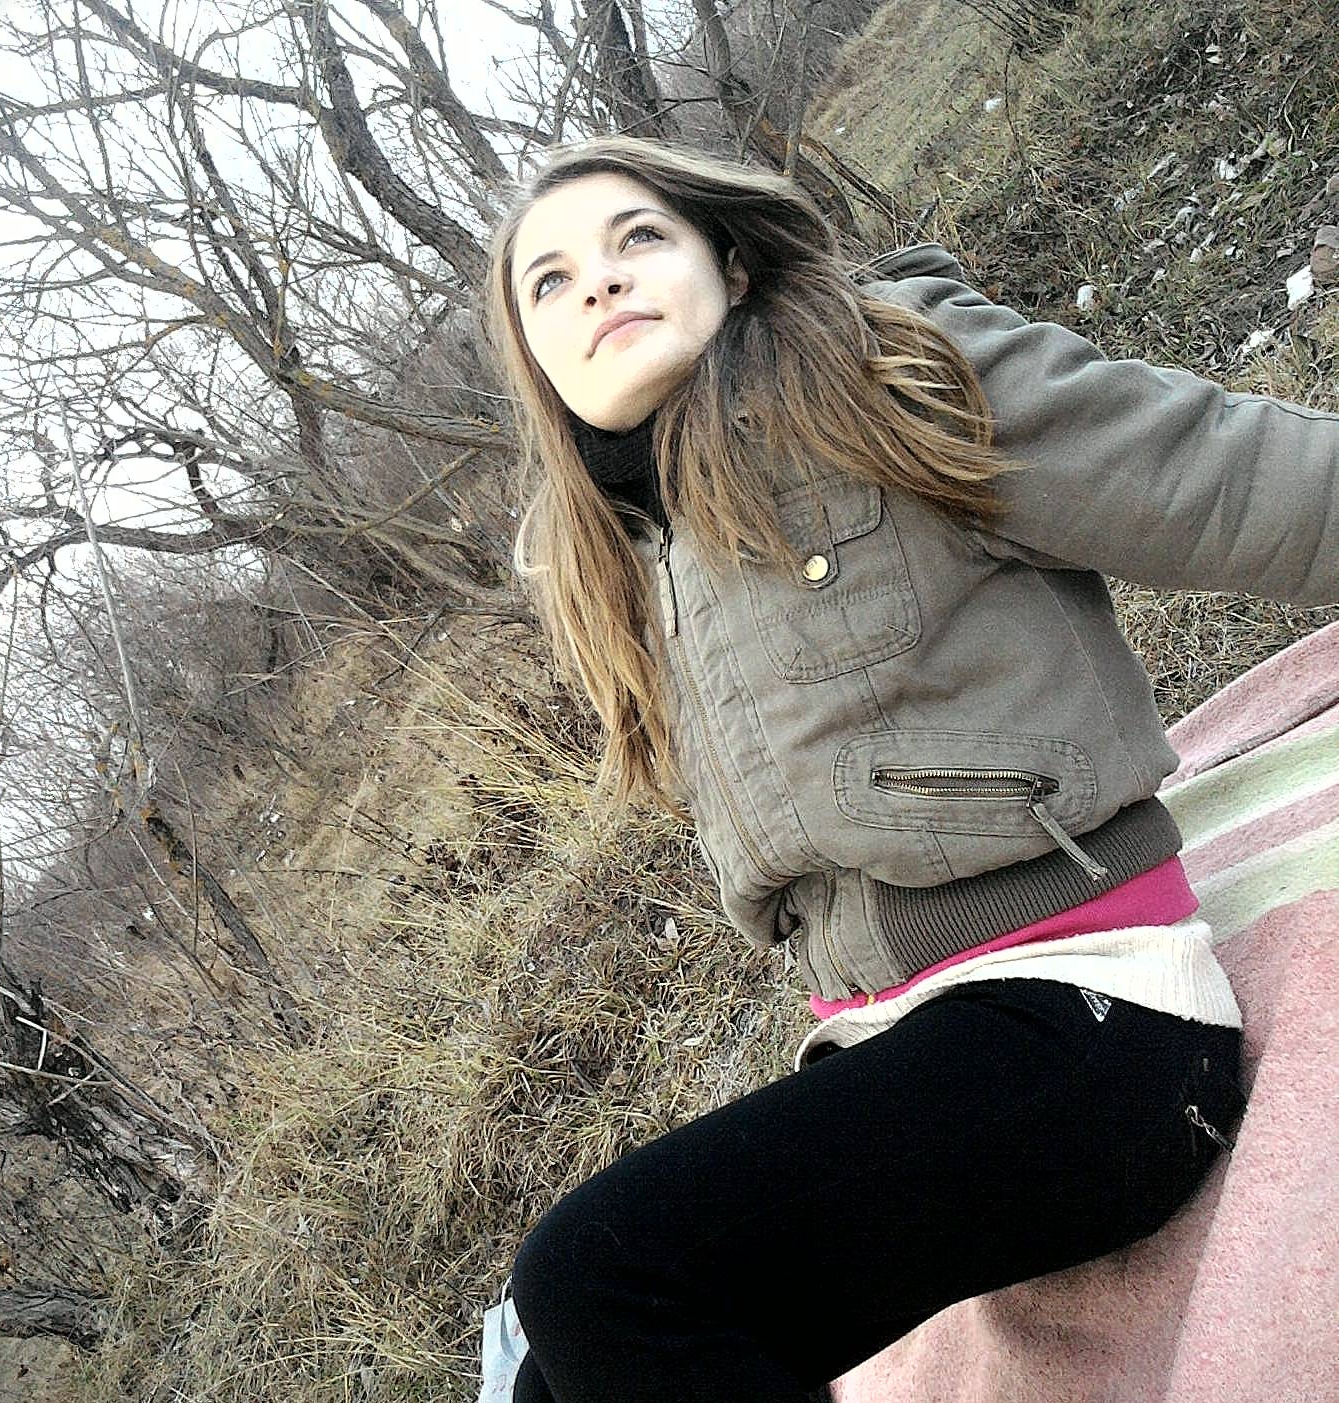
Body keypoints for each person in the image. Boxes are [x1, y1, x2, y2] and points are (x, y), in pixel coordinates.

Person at [480, 133, 1337, 1403]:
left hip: (1095, 1020)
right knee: (551, 1376)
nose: (597, 283)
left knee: (595, 1272)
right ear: (536, 361)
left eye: (638, 238)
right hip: (900, 1037)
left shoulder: (877, 369)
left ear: (728, 260)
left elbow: (1218, 476)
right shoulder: (630, 556)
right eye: (548, 282)